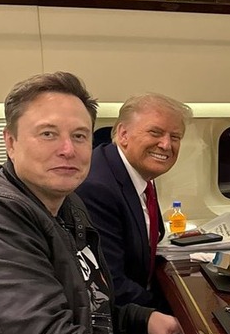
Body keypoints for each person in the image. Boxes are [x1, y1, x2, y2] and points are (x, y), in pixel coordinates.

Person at [0, 72, 216, 334]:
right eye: (48, 134)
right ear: (11, 142)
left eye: (79, 136)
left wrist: (143, 319)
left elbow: (88, 300)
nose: (68, 149)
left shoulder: (67, 205)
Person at [76, 93, 192, 309]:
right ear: (123, 134)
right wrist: (178, 312)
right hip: (117, 320)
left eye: (175, 137)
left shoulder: (140, 175)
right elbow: (110, 284)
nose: (166, 145)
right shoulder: (98, 188)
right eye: (155, 132)